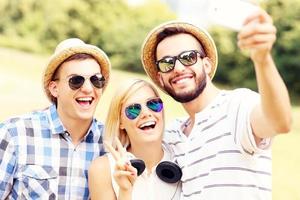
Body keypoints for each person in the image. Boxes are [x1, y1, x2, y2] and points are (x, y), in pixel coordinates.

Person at [141, 9, 292, 199]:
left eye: (188, 57)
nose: (178, 68)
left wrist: (262, 60)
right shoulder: (171, 133)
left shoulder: (236, 106)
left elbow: (279, 122)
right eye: (166, 63)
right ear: (160, 77)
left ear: (207, 64)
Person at [0, 38, 111, 199]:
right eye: (76, 81)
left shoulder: (111, 142)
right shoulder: (14, 133)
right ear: (54, 88)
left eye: (96, 80)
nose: (88, 88)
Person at [88, 79, 182, 200]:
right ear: (121, 122)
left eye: (153, 104)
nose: (146, 113)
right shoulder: (103, 169)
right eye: (133, 109)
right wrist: (125, 191)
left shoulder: (181, 158)